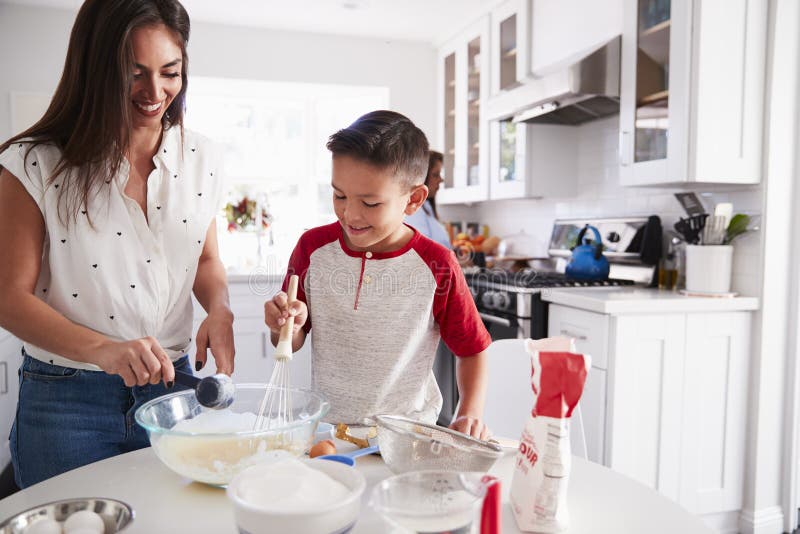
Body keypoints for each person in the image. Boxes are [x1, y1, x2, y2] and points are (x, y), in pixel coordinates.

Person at [0, 0, 234, 488]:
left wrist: (220, 308)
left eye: (170, 71)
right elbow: (8, 298)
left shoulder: (203, 156)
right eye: (134, 74)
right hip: (67, 402)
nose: (155, 92)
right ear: (95, 69)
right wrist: (104, 350)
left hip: (175, 389)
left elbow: (206, 258)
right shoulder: (36, 163)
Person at [264, 110, 491, 439]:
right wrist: (284, 326)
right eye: (339, 195)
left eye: (370, 203)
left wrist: (469, 412)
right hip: (328, 433)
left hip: (408, 437)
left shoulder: (437, 263)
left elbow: (472, 348)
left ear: (413, 199)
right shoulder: (312, 248)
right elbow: (290, 341)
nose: (350, 214)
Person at [404, 150, 451, 249]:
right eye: (435, 175)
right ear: (422, 178)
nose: (441, 180)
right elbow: (421, 251)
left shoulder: (427, 208)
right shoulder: (414, 211)